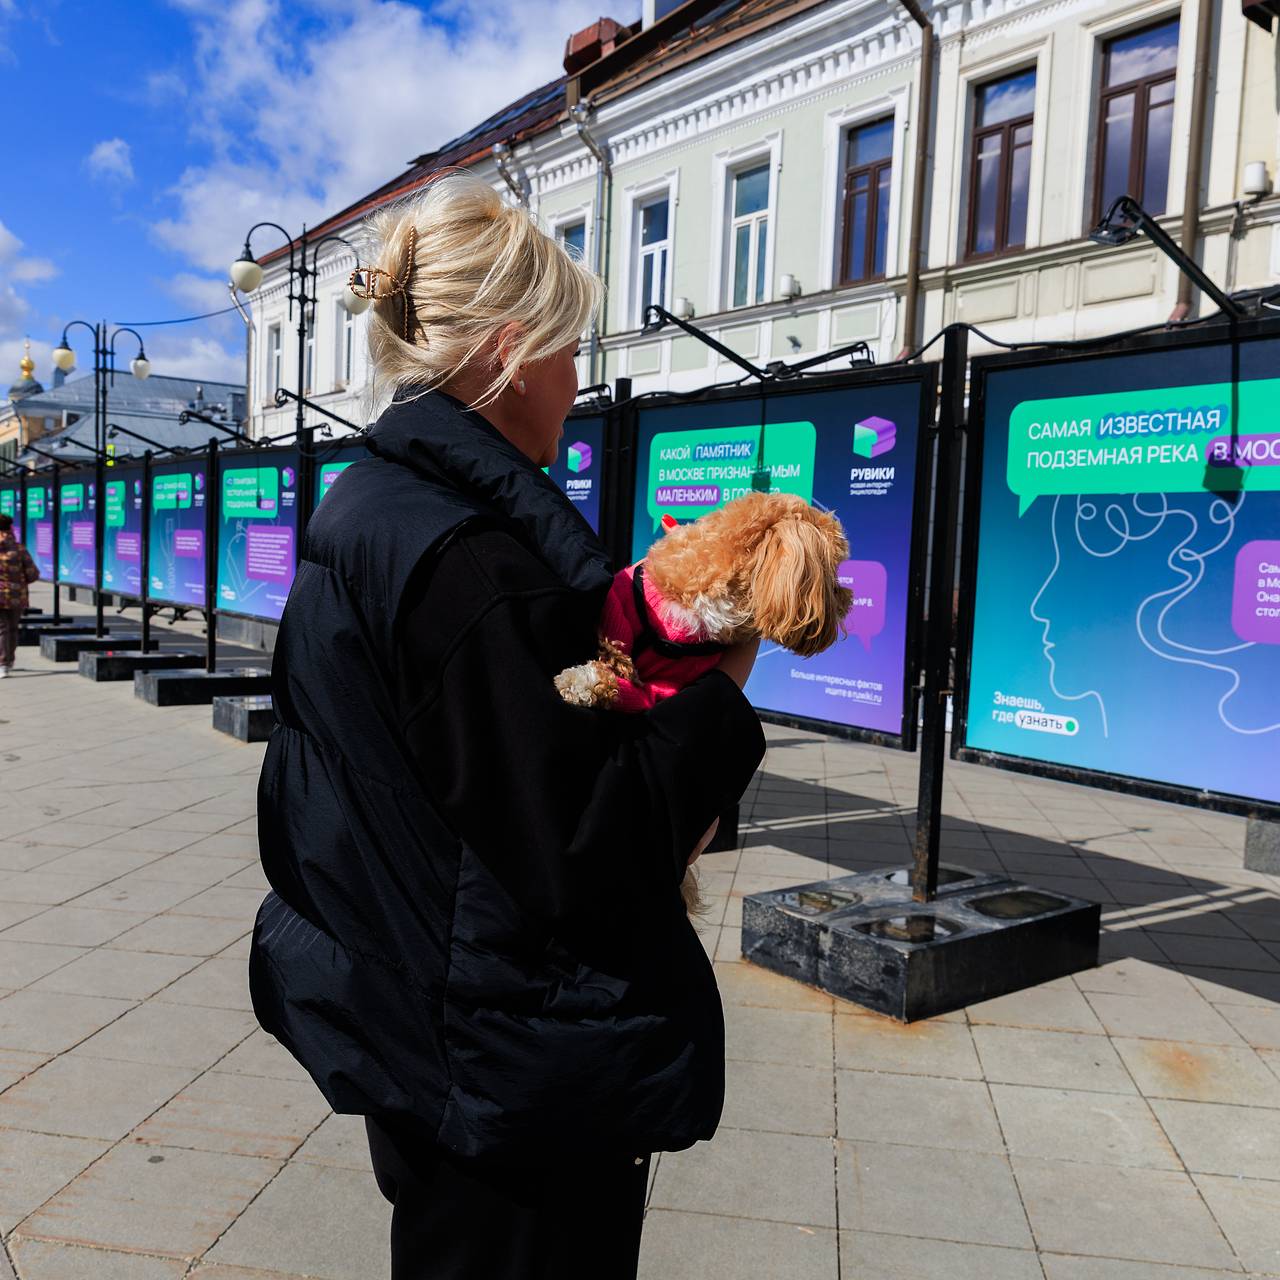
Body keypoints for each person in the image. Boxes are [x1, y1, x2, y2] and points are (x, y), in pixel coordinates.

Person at [248, 172, 765, 1280]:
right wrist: (721, 677)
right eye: (571, 351)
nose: (578, 383)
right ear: (508, 351)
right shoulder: (473, 558)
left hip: (426, 1016)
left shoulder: (375, 503)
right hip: (506, 1049)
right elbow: (585, 843)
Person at [0, 512, 38, 678]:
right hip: (17, 595)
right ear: (10, 527)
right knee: (13, 628)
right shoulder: (20, 548)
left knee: (2, 629)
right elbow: (33, 574)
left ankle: (2, 664)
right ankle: (8, 662)